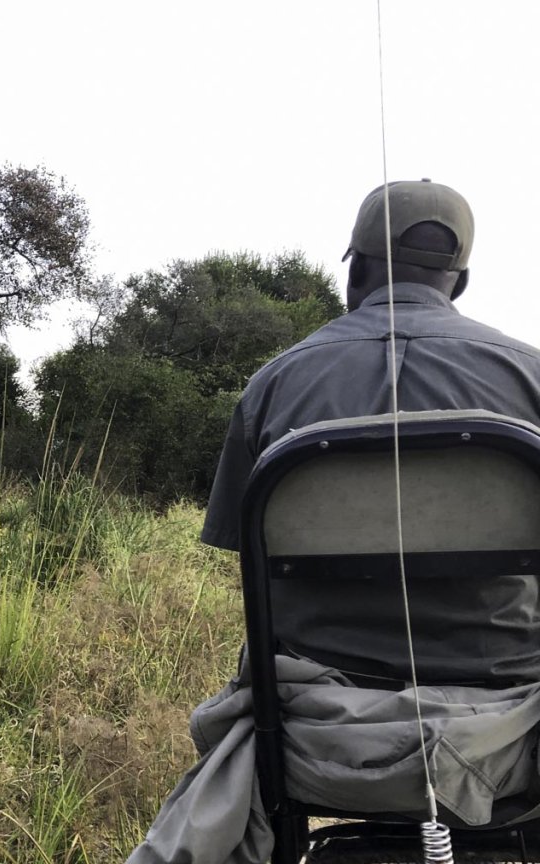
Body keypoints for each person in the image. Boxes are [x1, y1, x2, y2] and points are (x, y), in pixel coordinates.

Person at [200, 179, 540, 684]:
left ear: (356, 267)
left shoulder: (274, 382)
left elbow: (248, 552)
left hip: (309, 695)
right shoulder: (530, 375)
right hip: (511, 691)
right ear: (460, 281)